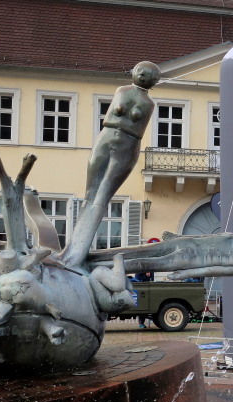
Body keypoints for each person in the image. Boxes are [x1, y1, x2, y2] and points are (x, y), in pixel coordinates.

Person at [60, 61, 161, 267]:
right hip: (105, 138)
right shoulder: (121, 91)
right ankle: (72, 250)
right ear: (134, 72)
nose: (143, 75)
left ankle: (78, 251)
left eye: (148, 74)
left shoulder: (149, 104)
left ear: (155, 80)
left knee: (102, 196)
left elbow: (138, 126)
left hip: (128, 145)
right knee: (90, 195)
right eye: (141, 71)